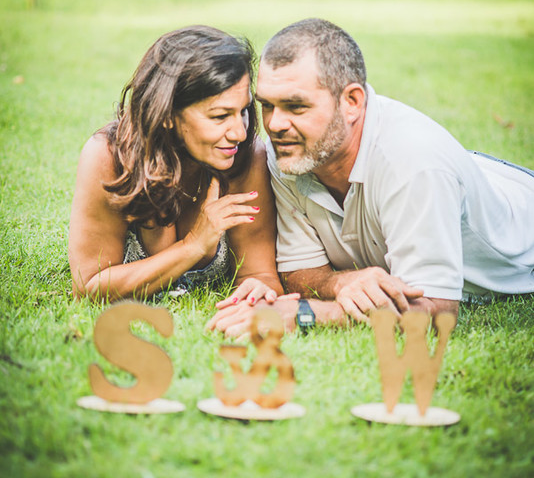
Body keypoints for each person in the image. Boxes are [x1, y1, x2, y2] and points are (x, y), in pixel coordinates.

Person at [208, 17, 534, 336]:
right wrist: (342, 281)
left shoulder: (414, 164)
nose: (275, 124)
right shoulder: (292, 151)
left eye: (296, 106)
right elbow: (299, 273)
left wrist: (307, 313)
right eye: (267, 105)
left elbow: (434, 311)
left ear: (352, 102)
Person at [69, 25, 284, 303]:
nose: (239, 133)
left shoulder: (246, 157)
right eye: (219, 116)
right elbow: (89, 289)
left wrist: (260, 292)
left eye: (242, 111)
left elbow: (259, 275)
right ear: (168, 114)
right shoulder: (108, 158)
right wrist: (193, 246)